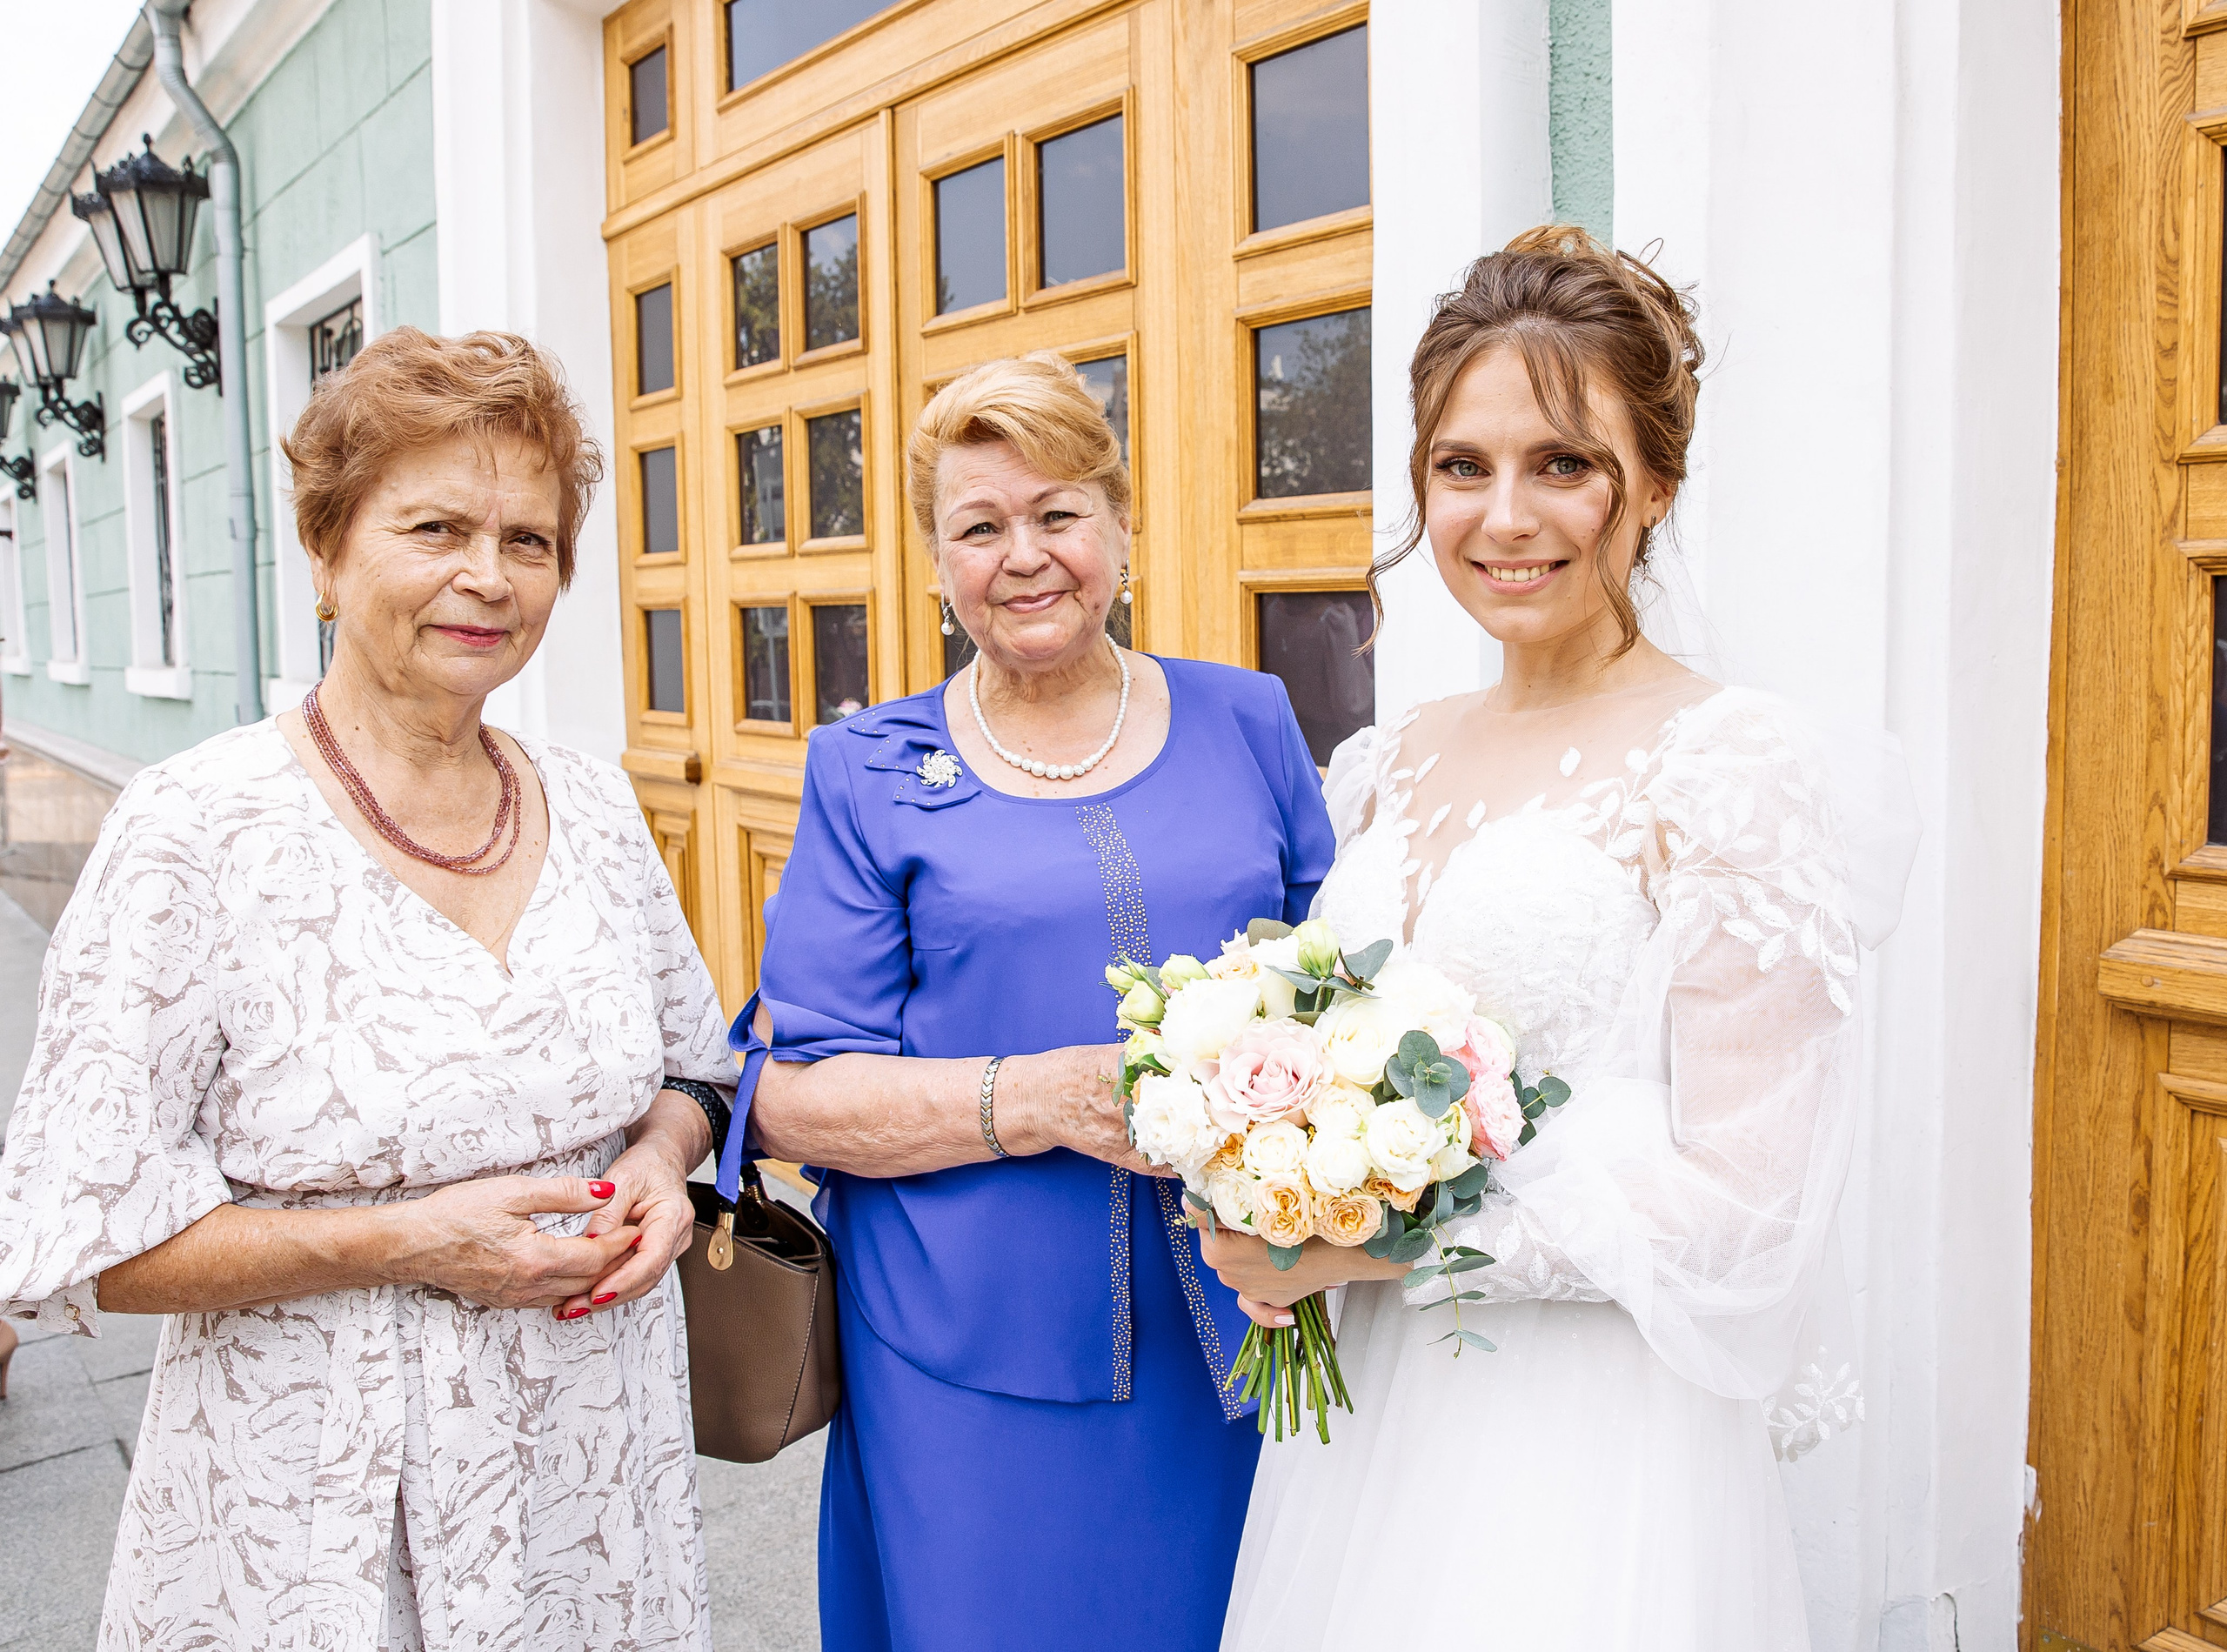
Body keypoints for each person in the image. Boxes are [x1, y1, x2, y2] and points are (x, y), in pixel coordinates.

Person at [1207, 228, 1916, 1649]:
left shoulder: (1727, 766)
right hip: (1377, 1430)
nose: (1504, 515)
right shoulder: (1388, 758)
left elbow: (1749, 1207)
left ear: (1652, 484)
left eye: (1563, 465)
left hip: (1591, 1446)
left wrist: (1379, 1245)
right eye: (1463, 465)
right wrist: (1267, 1163)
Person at [0, 329, 735, 1651]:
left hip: (591, 1473)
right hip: (315, 1508)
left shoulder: (599, 805)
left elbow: (694, 1066)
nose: (486, 577)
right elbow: (89, 1241)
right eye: (436, 526)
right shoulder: (195, 830)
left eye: (528, 540)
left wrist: (667, 1166)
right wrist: (403, 1239)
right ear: (329, 555)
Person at [735, 351, 1335, 1651]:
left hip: (1249, 1320)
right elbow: (791, 1097)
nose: (1025, 555)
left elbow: (1340, 985)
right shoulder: (868, 769)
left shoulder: (1251, 719)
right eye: (979, 526)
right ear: (939, 560)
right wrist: (1043, 1098)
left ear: (1120, 524)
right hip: (965, 1347)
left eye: (1058, 513)